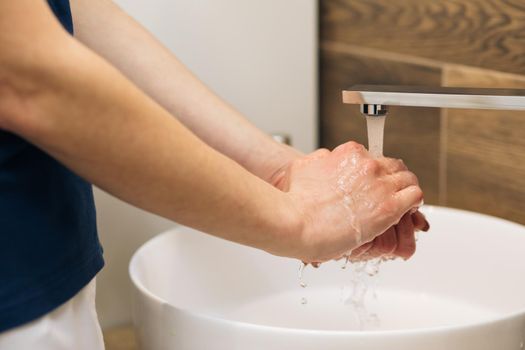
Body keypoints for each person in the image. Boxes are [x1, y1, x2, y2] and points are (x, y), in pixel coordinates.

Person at [0, 0, 428, 348]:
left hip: (49, 279)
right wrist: (296, 219)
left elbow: (68, 12)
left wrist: (278, 169)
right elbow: (25, 73)